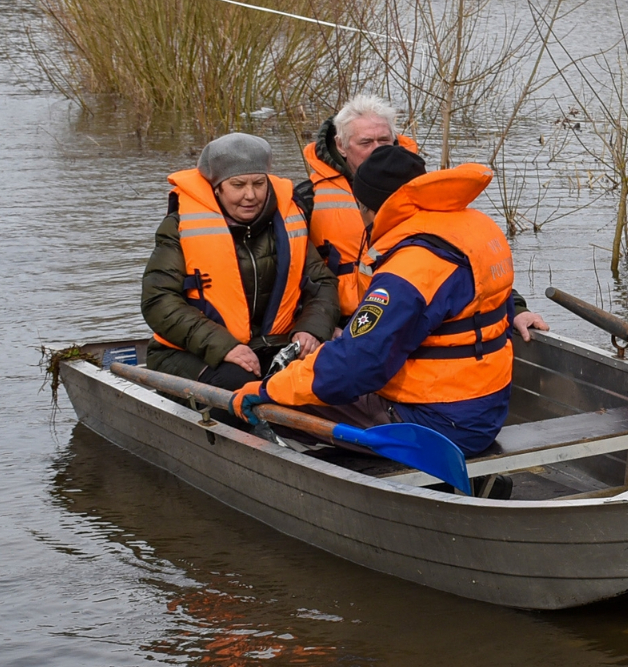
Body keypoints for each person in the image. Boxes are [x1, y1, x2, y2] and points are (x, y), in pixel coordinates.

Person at [240, 145, 548, 473]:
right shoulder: (475, 228)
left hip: (434, 423)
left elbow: (357, 365)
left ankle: (380, 480)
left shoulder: (412, 267)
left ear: (371, 206)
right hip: (486, 411)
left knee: (278, 404)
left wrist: (267, 388)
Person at [142, 132, 340, 391]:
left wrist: (311, 330)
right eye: (238, 185)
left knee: (335, 370)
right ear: (217, 187)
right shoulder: (178, 227)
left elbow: (322, 284)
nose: (251, 195)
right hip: (189, 351)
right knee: (239, 384)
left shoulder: (289, 222)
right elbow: (158, 301)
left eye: (259, 183)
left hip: (274, 345)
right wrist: (224, 346)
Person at [300, 94, 421, 317]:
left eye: (384, 141)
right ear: (341, 146)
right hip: (339, 317)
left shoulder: (422, 187)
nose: (377, 150)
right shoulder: (307, 198)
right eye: (366, 142)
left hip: (408, 311)